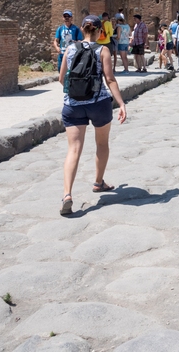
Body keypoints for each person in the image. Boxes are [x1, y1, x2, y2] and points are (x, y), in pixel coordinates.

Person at [58, 15, 127, 216]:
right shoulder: (103, 49)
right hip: (99, 104)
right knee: (102, 144)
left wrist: (77, 93)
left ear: (81, 28)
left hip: (73, 105)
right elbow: (110, 79)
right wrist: (121, 103)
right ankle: (98, 182)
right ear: (100, 31)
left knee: (74, 149)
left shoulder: (70, 48)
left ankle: (67, 194)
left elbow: (62, 78)